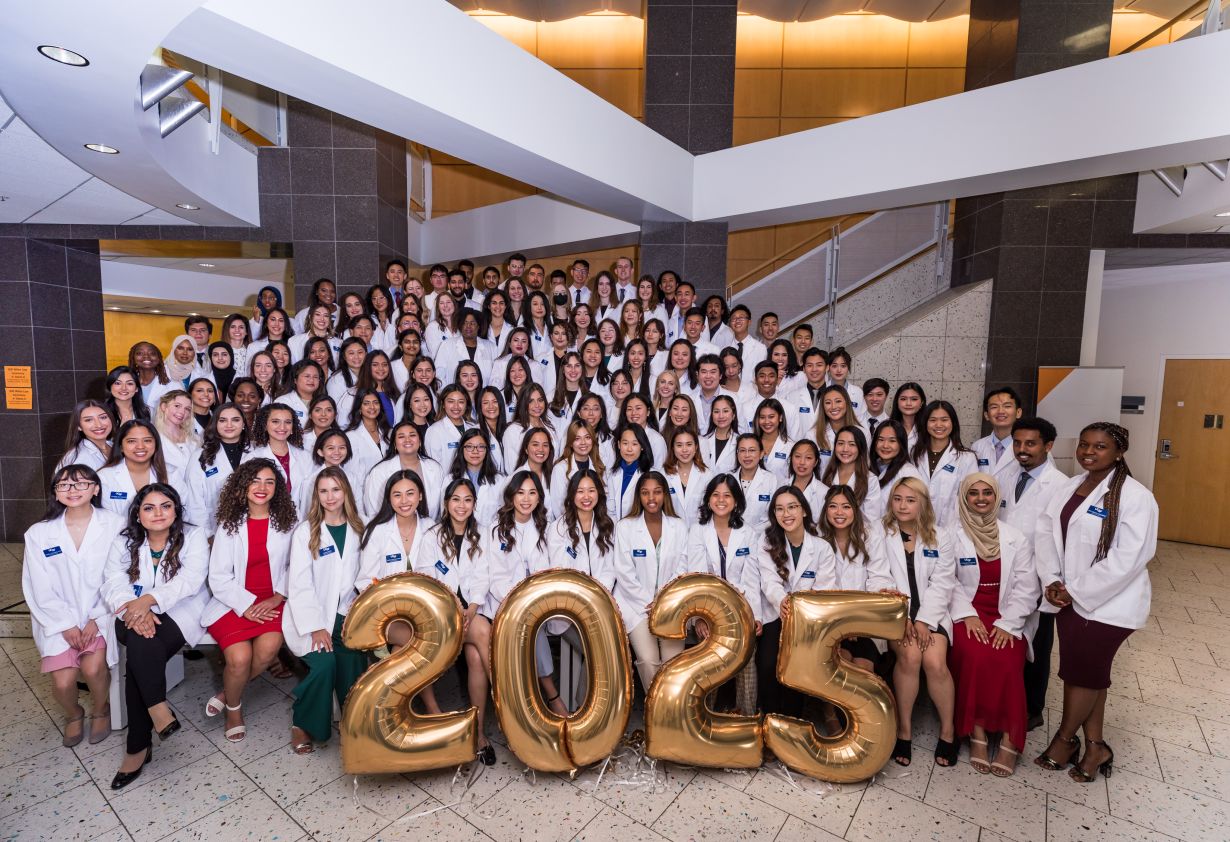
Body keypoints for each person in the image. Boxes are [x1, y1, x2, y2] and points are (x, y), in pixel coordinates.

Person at [1034, 422, 1158, 784]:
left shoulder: (1135, 497)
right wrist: (1052, 579)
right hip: (1068, 598)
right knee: (1087, 675)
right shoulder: (1072, 486)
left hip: (1108, 606)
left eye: (1099, 447)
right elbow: (1046, 534)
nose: (1088, 452)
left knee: (1081, 674)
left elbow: (1130, 558)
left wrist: (1077, 590)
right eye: (1084, 445)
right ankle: (1096, 746)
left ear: (1118, 452)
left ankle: (1064, 740)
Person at [102, 484, 209, 789]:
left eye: (165, 506)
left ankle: (137, 747)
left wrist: (147, 601)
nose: (158, 513)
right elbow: (113, 580)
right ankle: (156, 708)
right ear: (138, 514)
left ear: (176, 510)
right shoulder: (126, 541)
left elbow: (189, 581)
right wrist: (135, 608)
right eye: (149, 507)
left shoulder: (194, 536)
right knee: (141, 641)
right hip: (129, 611)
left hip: (180, 610)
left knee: (139, 648)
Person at [23, 465, 125, 749]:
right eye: (65, 485)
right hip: (57, 620)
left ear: (96, 489)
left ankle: (101, 709)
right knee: (64, 683)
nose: (73, 490)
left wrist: (97, 617)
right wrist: (65, 624)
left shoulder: (115, 524)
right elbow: (37, 585)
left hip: (101, 614)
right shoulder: (39, 534)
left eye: (82, 484)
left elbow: (121, 574)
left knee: (93, 670)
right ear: (55, 492)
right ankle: (74, 713)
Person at [947, 473, 1037, 777]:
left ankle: (1011, 738)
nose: (981, 499)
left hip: (1006, 615)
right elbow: (947, 581)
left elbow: (1027, 587)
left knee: (1008, 659)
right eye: (974, 493)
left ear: (997, 497)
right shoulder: (951, 535)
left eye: (987, 493)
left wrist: (1009, 624)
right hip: (967, 613)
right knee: (974, 656)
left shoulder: (1015, 537)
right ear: (964, 498)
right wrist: (967, 614)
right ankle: (978, 734)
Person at [202, 459, 298, 743]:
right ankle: (234, 708)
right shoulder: (230, 526)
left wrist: (278, 596)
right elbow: (218, 577)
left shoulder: (289, 524)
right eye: (255, 481)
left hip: (276, 600)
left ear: (277, 489)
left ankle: (226, 694)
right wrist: (246, 606)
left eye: (270, 482)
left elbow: (297, 566)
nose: (262, 487)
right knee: (239, 658)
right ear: (243, 486)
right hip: (234, 601)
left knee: (267, 651)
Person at [284, 467, 367, 754]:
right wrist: (316, 626)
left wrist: (361, 600)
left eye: (336, 489)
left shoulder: (361, 526)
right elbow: (299, 584)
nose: (330, 497)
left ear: (346, 492)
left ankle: (352, 719)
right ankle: (302, 722)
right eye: (324, 491)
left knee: (353, 662)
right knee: (325, 664)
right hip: (310, 616)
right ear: (316, 496)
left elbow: (367, 574)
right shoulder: (306, 531)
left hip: (347, 614)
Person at [415, 478, 497, 765]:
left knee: (476, 656)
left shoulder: (483, 534)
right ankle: (510, 703)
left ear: (474, 504)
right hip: (442, 612)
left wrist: (471, 607)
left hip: (473, 610)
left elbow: (484, 575)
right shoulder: (431, 536)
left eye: (467, 500)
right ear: (447, 503)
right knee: (484, 636)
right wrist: (454, 606)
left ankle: (478, 732)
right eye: (456, 500)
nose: (461, 506)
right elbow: (428, 577)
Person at [882, 476, 958, 769]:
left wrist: (924, 620)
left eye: (910, 500)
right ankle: (904, 730)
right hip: (896, 614)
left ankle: (948, 731)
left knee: (935, 663)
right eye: (898, 499)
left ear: (923, 504)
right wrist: (903, 617)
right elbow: (880, 577)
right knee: (911, 657)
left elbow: (943, 582)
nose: (902, 506)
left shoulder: (941, 536)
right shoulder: (881, 533)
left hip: (932, 613)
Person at [1002, 416, 1067, 731]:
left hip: (1040, 576)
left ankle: (1033, 707)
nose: (1022, 450)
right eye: (1017, 443)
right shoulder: (1005, 475)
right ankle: (1006, 697)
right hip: (1004, 570)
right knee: (1009, 636)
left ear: (1048, 446)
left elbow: (1059, 540)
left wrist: (1053, 579)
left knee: (1038, 644)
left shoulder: (1061, 486)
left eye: (1031, 443)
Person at [754, 485, 831, 717]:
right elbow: (769, 581)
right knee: (768, 665)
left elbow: (825, 587)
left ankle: (791, 723)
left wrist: (800, 608)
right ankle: (770, 720)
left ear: (804, 511)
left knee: (796, 666)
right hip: (777, 612)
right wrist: (783, 601)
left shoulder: (821, 547)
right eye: (779, 509)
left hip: (807, 618)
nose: (786, 514)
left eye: (792, 507)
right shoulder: (767, 542)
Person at [613, 471, 692, 691]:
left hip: (670, 607)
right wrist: (649, 603)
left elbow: (683, 568)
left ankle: (671, 710)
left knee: (673, 663)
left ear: (665, 494)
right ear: (638, 496)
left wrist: (663, 601)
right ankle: (654, 709)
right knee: (648, 660)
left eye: (657, 492)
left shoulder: (679, 526)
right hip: (637, 606)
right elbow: (624, 572)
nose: (651, 498)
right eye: (645, 493)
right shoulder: (625, 527)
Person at [689, 475, 761, 714]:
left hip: (740, 611)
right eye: (716, 495)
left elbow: (752, 579)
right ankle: (703, 717)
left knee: (747, 657)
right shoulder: (698, 531)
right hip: (710, 612)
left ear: (736, 500)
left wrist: (754, 617)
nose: (721, 500)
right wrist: (700, 617)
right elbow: (697, 578)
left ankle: (747, 719)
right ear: (708, 499)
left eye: (727, 495)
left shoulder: (748, 533)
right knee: (709, 658)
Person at [910, 400, 978, 529]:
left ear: (953, 423)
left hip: (951, 528)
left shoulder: (966, 458)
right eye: (933, 420)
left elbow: (969, 499)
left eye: (944, 420)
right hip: (915, 525)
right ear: (925, 423)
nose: (938, 425)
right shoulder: (914, 453)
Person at [185, 403, 248, 533]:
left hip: (251, 527)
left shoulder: (257, 453)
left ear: (243, 424)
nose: (229, 425)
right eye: (223, 420)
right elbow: (194, 500)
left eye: (235, 420)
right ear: (215, 424)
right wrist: (206, 535)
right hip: (214, 530)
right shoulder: (200, 456)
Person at [97, 420, 169, 517]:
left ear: (156, 445)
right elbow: (104, 519)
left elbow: (183, 513)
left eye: (147, 440)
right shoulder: (104, 477)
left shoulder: (172, 473)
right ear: (121, 447)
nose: (140, 446)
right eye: (131, 441)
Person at [246, 403, 313, 497]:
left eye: (288, 422)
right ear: (265, 425)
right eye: (275, 421)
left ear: (293, 427)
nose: (282, 427)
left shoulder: (306, 457)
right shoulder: (252, 458)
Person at [972, 387, 1024, 484]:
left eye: (1007, 406)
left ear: (1018, 412)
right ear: (987, 415)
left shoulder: (1033, 448)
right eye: (994, 407)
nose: (1001, 411)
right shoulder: (977, 447)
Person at [662, 429, 709, 527]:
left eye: (689, 444)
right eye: (679, 445)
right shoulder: (663, 474)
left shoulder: (707, 475)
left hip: (699, 533)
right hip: (671, 532)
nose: (684, 450)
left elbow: (708, 510)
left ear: (696, 447)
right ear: (673, 448)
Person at [606, 424, 653, 520]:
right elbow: (611, 511)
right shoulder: (613, 474)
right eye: (625, 443)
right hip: (617, 531)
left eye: (635, 444)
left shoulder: (651, 475)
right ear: (619, 445)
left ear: (642, 446)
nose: (629, 449)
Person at [57, 399, 115, 473]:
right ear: (79, 426)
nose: (99, 425)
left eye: (103, 417)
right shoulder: (79, 458)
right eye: (88, 420)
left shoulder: (113, 445)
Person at [733, 433, 778, 528]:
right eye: (742, 450)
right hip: (730, 536)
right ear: (737, 454)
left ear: (761, 454)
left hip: (760, 537)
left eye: (752, 450)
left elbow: (772, 516)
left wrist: (752, 535)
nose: (747, 455)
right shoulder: (728, 478)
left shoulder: (772, 480)